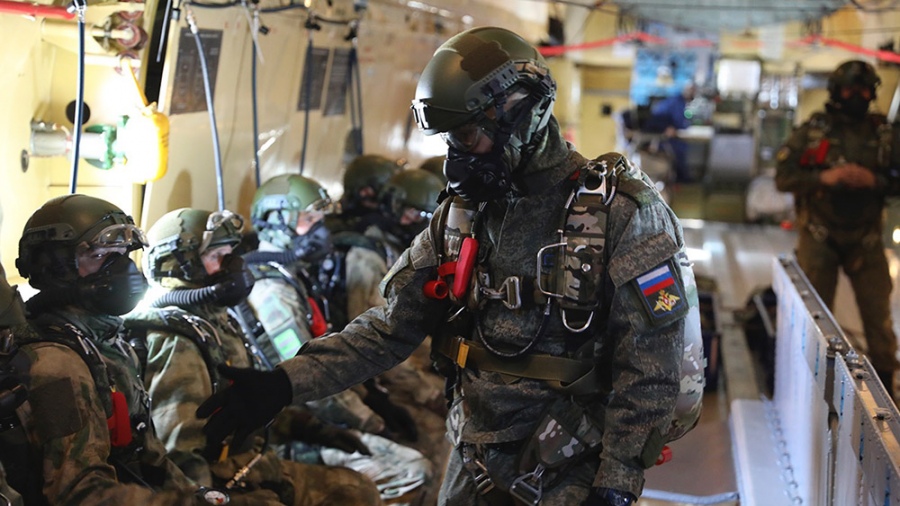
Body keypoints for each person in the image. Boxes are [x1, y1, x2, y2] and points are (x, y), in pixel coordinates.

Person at [198, 26, 703, 505]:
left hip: (570, 463)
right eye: (449, 140)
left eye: (465, 137)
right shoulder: (461, 216)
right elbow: (390, 329)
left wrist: (616, 482)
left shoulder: (621, 214)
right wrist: (284, 384)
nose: (455, 158)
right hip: (472, 462)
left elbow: (650, 366)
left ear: (521, 115)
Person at [12, 194, 281, 505]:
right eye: (100, 255)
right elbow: (80, 494)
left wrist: (204, 497)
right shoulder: (56, 363)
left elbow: (149, 457)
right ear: (56, 268)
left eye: (121, 254)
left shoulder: (106, 342)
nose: (121, 268)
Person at [131, 207, 384, 505]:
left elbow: (243, 402)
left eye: (230, 253)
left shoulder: (216, 320)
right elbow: (181, 454)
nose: (232, 265)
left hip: (253, 461)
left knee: (358, 489)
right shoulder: (178, 340)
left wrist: (309, 427)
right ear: (176, 266)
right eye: (216, 256)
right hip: (222, 480)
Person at [243, 178, 433, 504]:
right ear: (275, 220)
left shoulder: (291, 276)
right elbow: (303, 374)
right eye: (309, 219)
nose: (319, 230)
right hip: (289, 427)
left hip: (313, 413)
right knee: (414, 468)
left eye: (321, 220)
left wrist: (371, 398)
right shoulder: (273, 292)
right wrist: (371, 422)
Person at [775, 59, 900, 399]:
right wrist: (825, 178)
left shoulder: (885, 135)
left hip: (866, 238)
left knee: (879, 322)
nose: (857, 96)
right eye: (849, 90)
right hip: (820, 235)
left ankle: (887, 394)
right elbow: (783, 177)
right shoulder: (814, 132)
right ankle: (808, 390)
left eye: (864, 90)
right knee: (814, 319)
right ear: (835, 92)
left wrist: (875, 180)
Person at [644, 82, 696, 183]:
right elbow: (679, 122)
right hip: (660, 134)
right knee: (680, 148)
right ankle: (681, 177)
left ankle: (679, 176)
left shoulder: (675, 100)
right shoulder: (677, 103)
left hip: (661, 131)